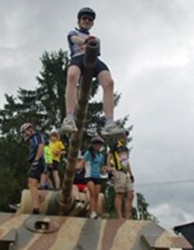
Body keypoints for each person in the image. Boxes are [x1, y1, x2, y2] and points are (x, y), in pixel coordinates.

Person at [60, 7, 123, 136]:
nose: (87, 21)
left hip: (93, 59)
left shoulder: (96, 39)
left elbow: (96, 50)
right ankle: (69, 118)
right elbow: (74, 40)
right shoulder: (73, 32)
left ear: (92, 23)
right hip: (78, 57)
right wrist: (85, 41)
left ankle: (109, 123)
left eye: (90, 19)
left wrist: (91, 42)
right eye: (84, 18)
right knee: (72, 76)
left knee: (109, 82)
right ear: (79, 21)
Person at [106, 131, 134, 219]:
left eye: (126, 136)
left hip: (125, 172)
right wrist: (109, 169)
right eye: (124, 135)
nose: (125, 137)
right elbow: (109, 157)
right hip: (118, 171)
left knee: (130, 194)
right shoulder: (115, 145)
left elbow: (126, 162)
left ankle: (127, 217)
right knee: (120, 193)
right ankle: (119, 216)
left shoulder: (125, 148)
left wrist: (131, 174)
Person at [20, 122, 45, 214]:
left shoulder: (37, 136)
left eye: (24, 132)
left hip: (37, 161)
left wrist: (36, 160)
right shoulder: (32, 138)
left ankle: (36, 208)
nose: (24, 134)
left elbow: (41, 146)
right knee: (32, 184)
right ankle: (38, 199)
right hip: (36, 161)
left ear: (29, 129)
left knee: (32, 183)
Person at [83, 136, 106, 219]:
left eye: (100, 144)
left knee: (96, 195)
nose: (98, 146)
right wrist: (77, 167)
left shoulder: (101, 156)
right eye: (96, 144)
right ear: (93, 144)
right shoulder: (88, 153)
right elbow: (82, 162)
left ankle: (94, 212)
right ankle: (92, 212)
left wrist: (105, 169)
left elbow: (101, 167)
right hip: (89, 175)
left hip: (97, 176)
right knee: (92, 193)